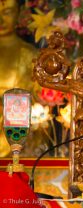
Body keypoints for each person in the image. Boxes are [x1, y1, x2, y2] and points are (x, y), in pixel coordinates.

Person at [0, 0, 38, 157]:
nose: (0, 19)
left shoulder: (29, 55)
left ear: (20, 13)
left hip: (15, 138)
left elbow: (42, 103)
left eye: (7, 12)